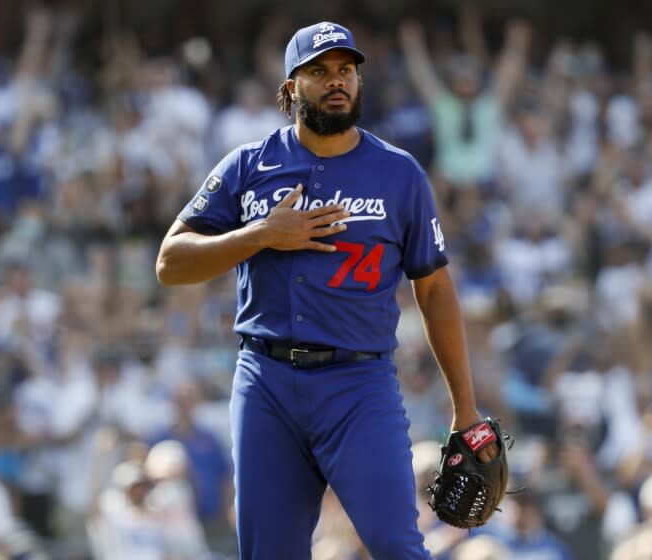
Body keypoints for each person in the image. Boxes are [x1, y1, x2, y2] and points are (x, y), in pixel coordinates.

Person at [156, 20, 497, 559]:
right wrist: (261, 234)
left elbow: (434, 291)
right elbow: (170, 263)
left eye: (346, 71)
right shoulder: (249, 165)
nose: (336, 81)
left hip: (358, 385)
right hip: (265, 383)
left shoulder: (398, 173)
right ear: (291, 87)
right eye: (319, 71)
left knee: (396, 546)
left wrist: (465, 408)